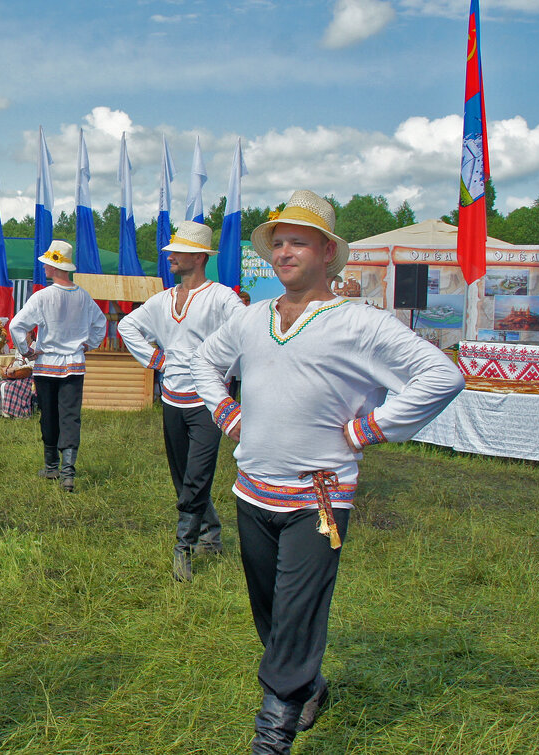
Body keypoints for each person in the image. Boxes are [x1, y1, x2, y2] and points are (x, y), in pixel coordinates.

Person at [189, 190, 464, 754]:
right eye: (279, 243)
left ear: (326, 253)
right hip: (252, 490)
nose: (285, 252)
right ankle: (306, 683)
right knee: (269, 611)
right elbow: (200, 359)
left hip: (319, 498)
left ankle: (272, 736)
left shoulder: (360, 324)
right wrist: (223, 409)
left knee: (297, 610)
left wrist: (372, 428)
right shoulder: (252, 318)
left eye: (299, 242)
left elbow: (441, 376)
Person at [119, 220, 245, 582]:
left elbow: (245, 333)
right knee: (182, 476)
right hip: (172, 399)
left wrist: (224, 371)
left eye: (177, 251)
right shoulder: (162, 300)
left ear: (199, 256)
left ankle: (183, 547)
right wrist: (156, 359)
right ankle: (211, 534)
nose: (170, 256)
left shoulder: (221, 297)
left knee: (198, 473)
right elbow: (128, 326)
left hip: (209, 401)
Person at [9, 240, 106, 492]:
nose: (43, 268)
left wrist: (26, 351)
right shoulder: (83, 296)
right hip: (74, 364)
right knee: (70, 416)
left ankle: (52, 466)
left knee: (49, 414)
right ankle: (67, 473)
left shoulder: (42, 297)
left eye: (47, 264)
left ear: (54, 267)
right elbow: (100, 323)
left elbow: (15, 325)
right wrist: (88, 345)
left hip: (47, 365)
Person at [0, 332, 35, 419]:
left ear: (30, 334)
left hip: (31, 376)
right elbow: (17, 362)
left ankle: (17, 412)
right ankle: (1, 411)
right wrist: (10, 369)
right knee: (1, 384)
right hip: (20, 375)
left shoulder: (35, 347)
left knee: (11, 386)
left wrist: (17, 369)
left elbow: (32, 365)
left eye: (25, 333)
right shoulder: (20, 347)